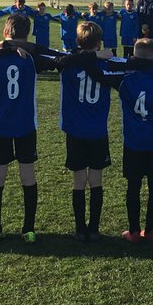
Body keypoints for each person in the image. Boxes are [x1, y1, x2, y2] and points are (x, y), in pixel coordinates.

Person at [0, 14, 56, 243]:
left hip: (0, 126)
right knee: (27, 175)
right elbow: (56, 56)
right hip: (26, 125)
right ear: (27, 34)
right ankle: (28, 228)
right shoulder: (33, 58)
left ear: (5, 32)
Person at [90, 37, 153, 243]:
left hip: (133, 142)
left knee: (134, 186)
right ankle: (152, 230)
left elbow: (98, 72)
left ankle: (134, 231)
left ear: (132, 57)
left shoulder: (123, 78)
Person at [57, 20, 113, 241]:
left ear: (77, 41)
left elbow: (58, 59)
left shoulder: (68, 65)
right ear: (99, 43)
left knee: (78, 181)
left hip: (75, 130)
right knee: (96, 180)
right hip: (98, 130)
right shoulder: (108, 64)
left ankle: (80, 229)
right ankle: (95, 229)